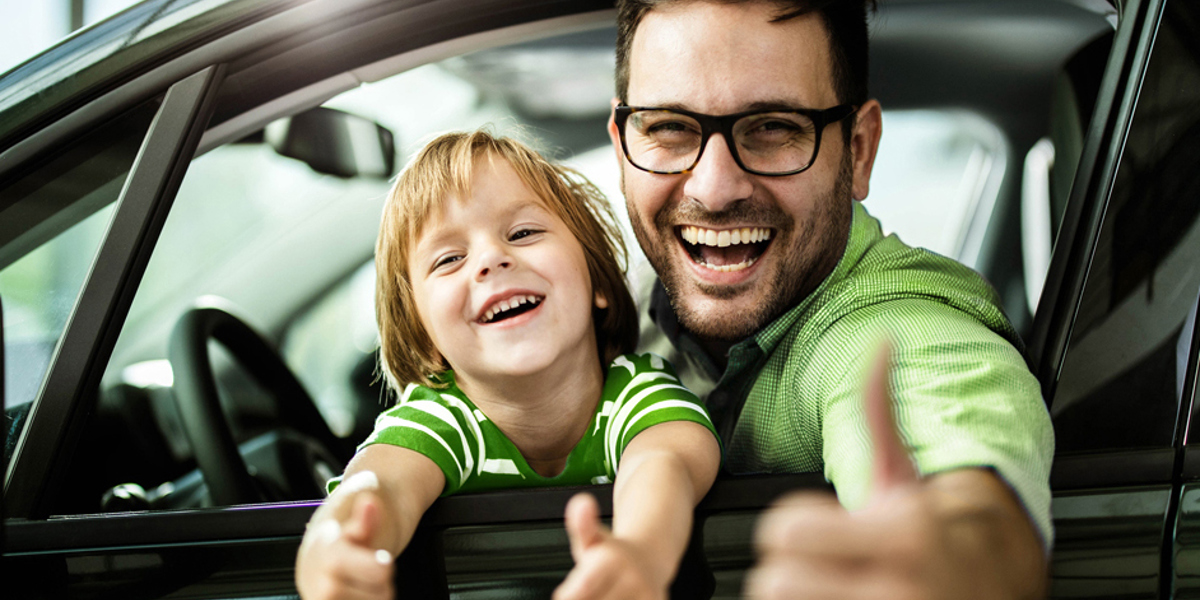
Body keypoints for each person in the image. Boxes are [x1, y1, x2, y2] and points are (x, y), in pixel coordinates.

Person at [608, 0, 1055, 598]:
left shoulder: (899, 334)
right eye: (668, 127)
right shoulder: (611, 313)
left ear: (859, 150)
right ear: (621, 145)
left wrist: (946, 561)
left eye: (772, 127)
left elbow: (968, 510)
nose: (713, 189)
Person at [294, 131, 721, 600]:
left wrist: (641, 552)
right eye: (450, 258)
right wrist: (331, 546)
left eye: (523, 233)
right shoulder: (442, 420)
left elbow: (665, 463)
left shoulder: (635, 391)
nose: (492, 259)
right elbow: (379, 486)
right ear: (425, 337)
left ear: (596, 280)